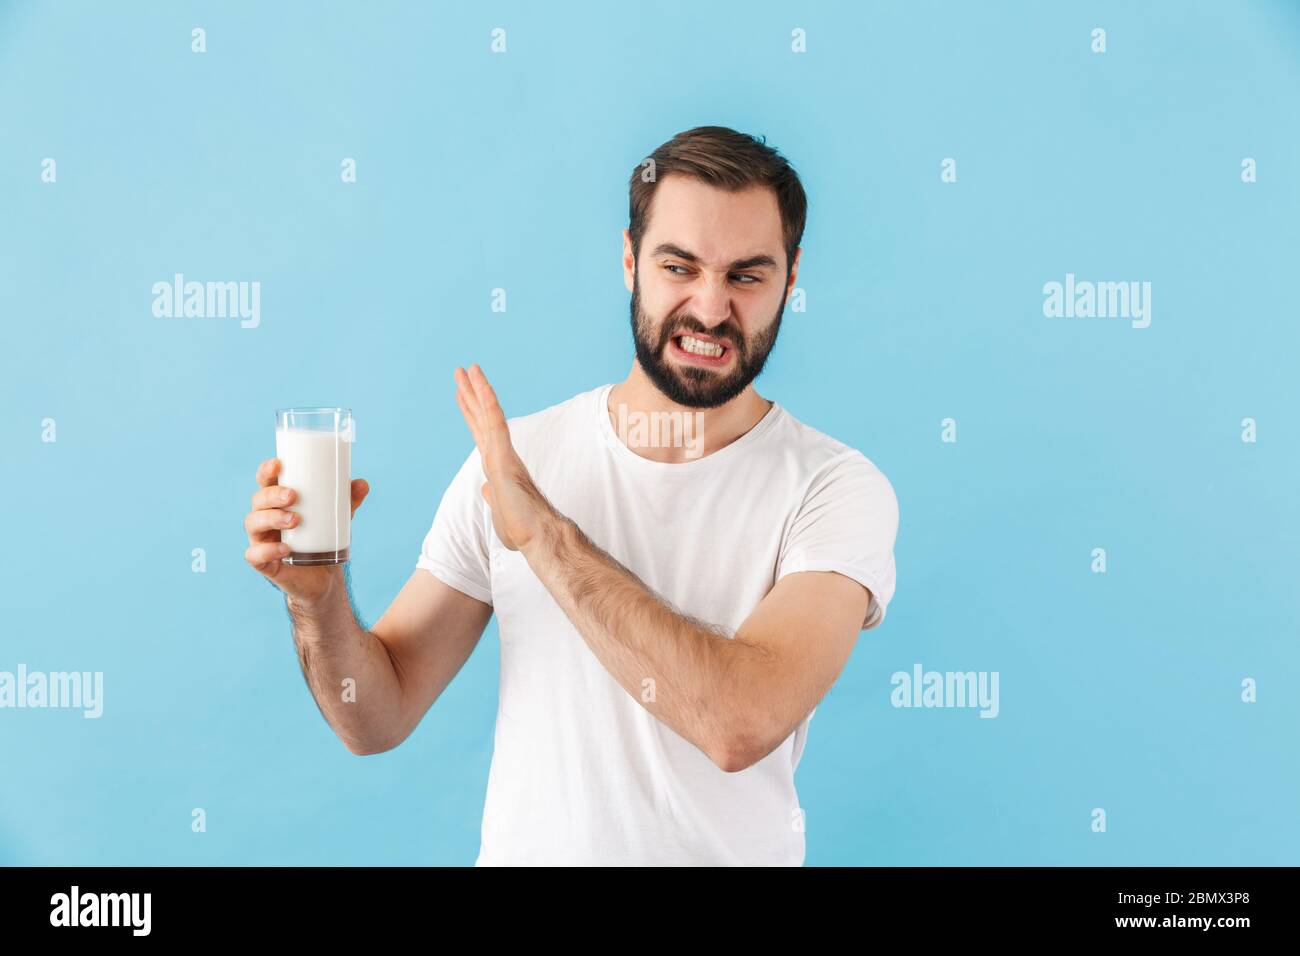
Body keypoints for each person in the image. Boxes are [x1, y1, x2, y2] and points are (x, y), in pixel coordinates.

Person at [244, 126, 899, 865]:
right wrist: (318, 602)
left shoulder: (835, 490)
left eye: (747, 276)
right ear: (629, 259)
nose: (711, 310)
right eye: (679, 266)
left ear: (792, 276)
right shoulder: (516, 462)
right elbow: (376, 716)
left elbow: (739, 723)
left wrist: (546, 538)